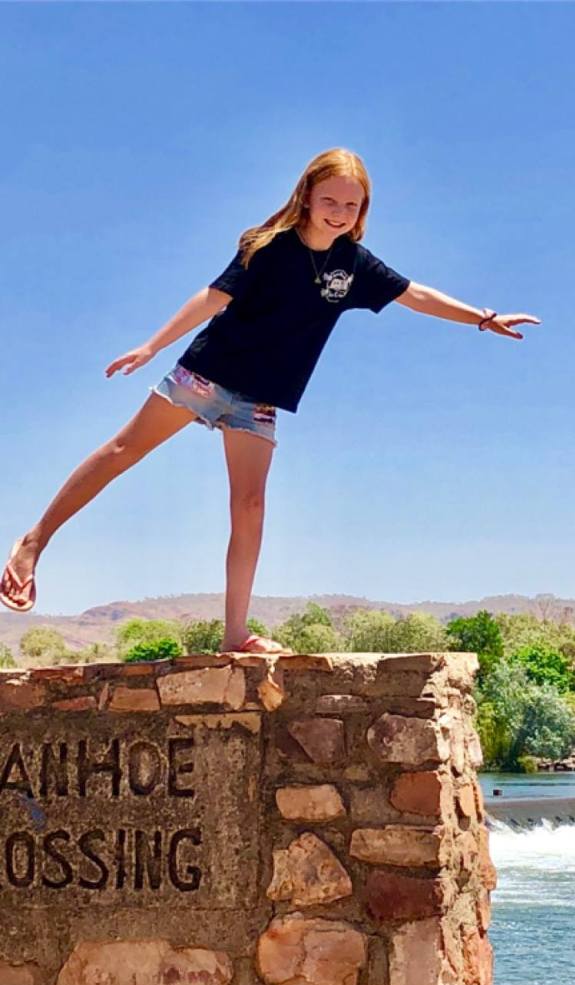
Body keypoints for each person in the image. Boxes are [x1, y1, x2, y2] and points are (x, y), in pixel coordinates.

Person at [0, 147, 541, 652]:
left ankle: (235, 633)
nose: (339, 213)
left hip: (259, 399)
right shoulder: (267, 246)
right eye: (330, 200)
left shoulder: (354, 265)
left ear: (362, 211)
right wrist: (151, 346)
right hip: (206, 375)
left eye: (351, 206)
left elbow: (415, 294)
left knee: (251, 506)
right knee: (124, 451)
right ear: (307, 195)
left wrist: (483, 318)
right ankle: (33, 543)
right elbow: (212, 298)